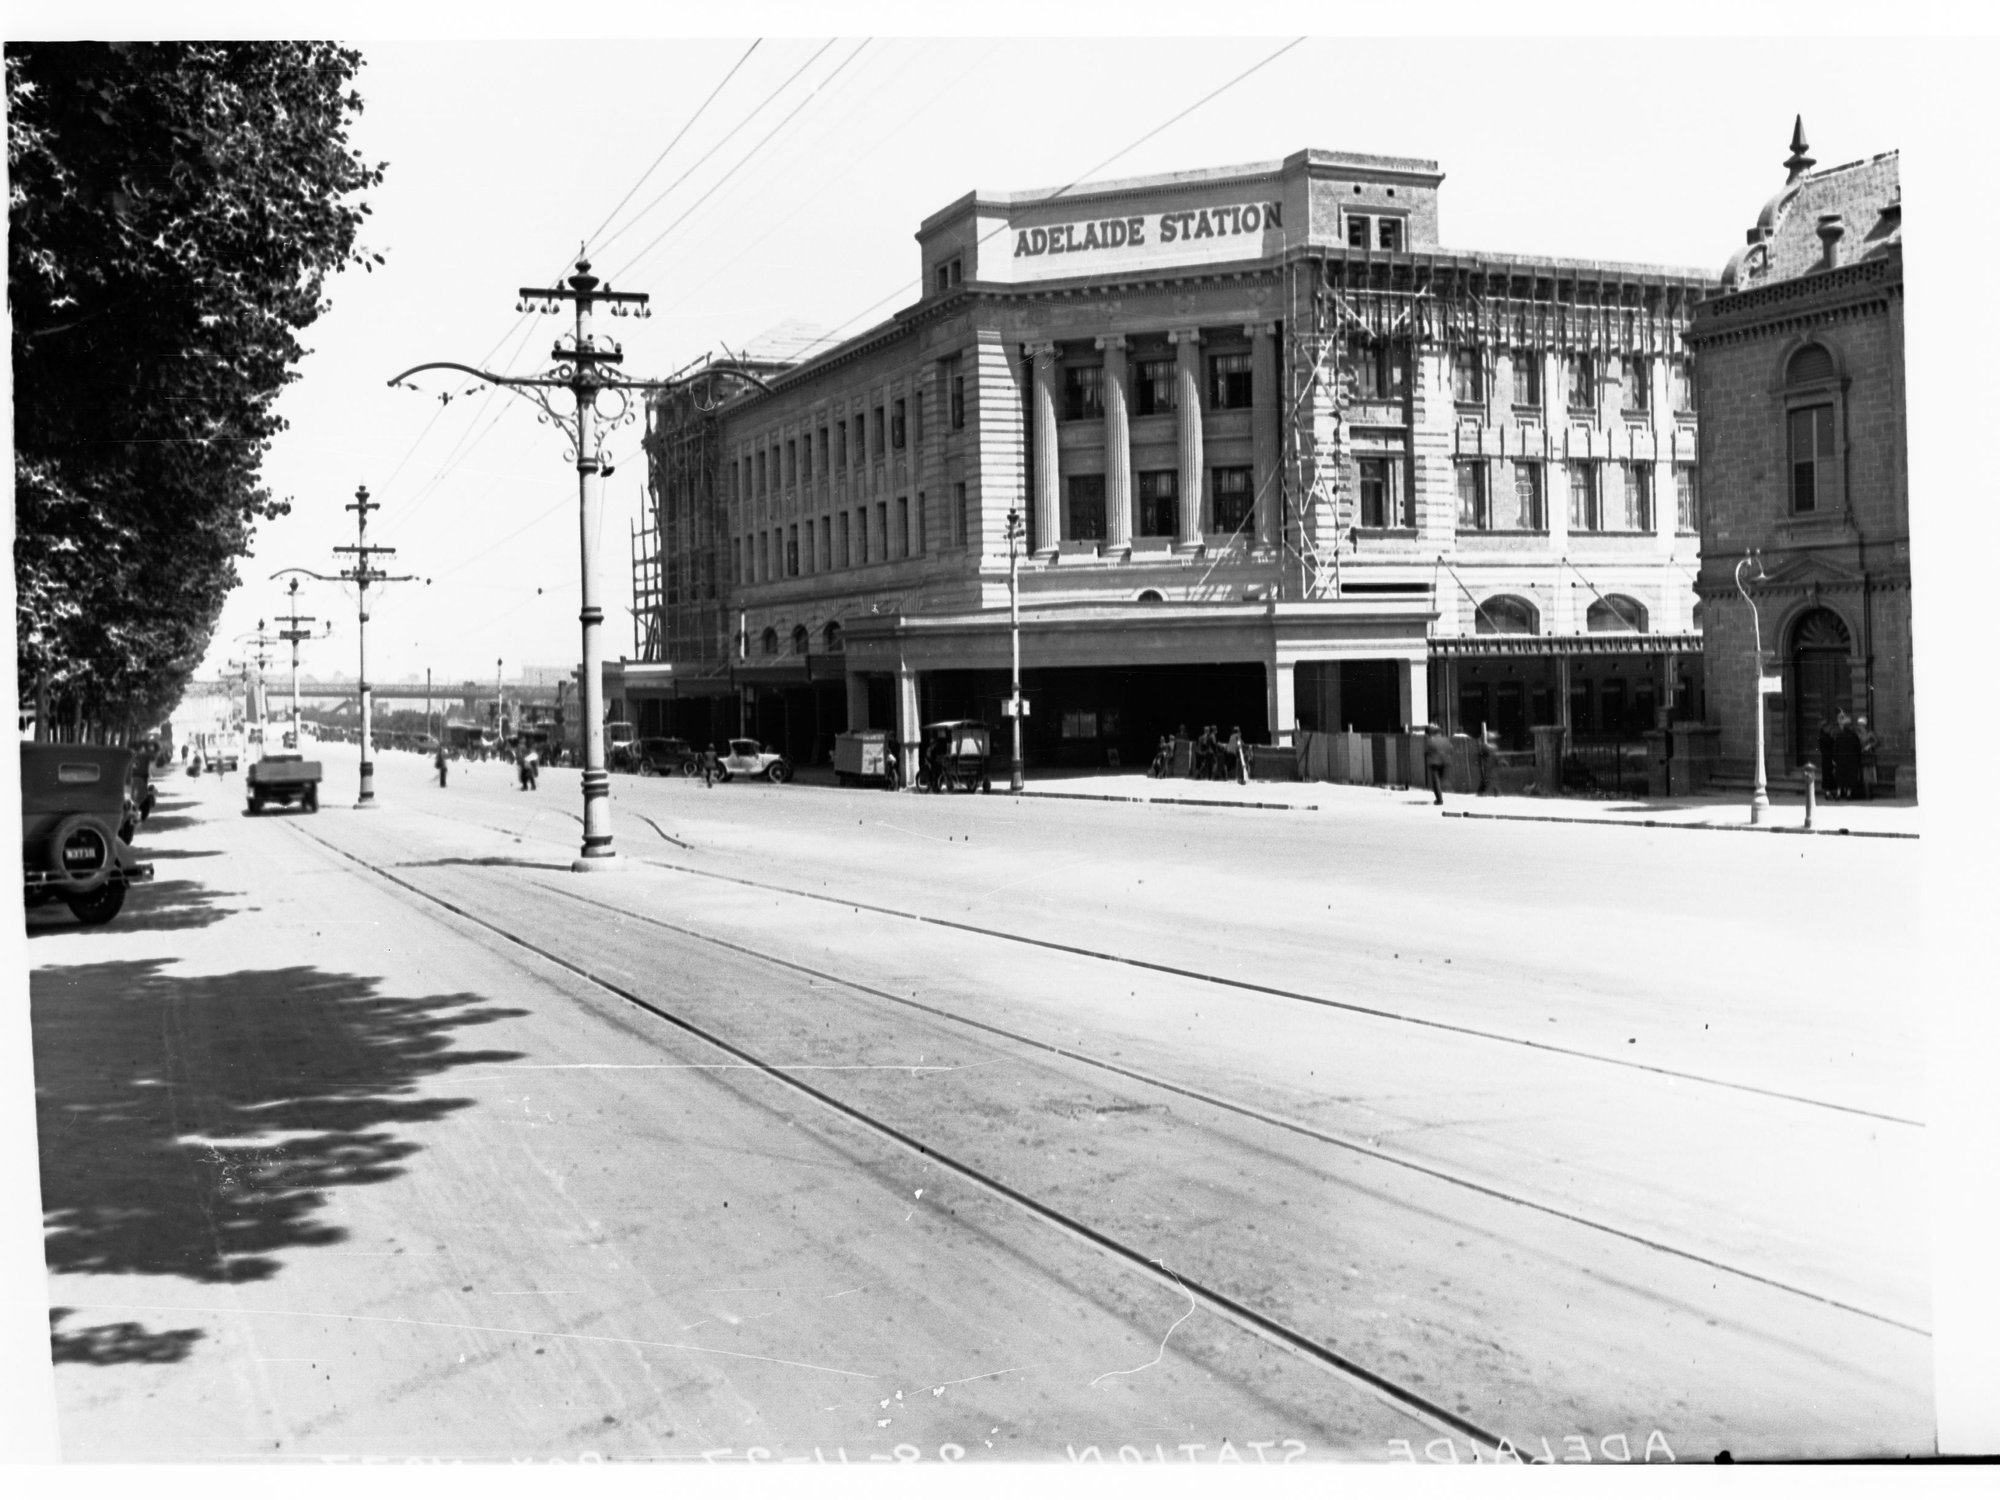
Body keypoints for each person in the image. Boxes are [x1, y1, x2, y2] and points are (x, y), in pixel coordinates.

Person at [1831, 711, 1863, 802]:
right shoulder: (1854, 736)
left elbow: (1835, 748)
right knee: (1850, 777)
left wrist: (1834, 759)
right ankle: (1848, 794)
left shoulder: (1839, 735)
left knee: (1840, 777)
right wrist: (1858, 758)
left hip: (1841, 760)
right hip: (1852, 760)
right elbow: (1858, 748)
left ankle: (1838, 794)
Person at [1423, 723, 1453, 806]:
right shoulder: (1446, 740)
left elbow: (1426, 752)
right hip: (1445, 762)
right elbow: (1451, 749)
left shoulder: (1430, 741)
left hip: (1434, 762)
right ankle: (1442, 790)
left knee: (1436, 781)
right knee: (1441, 779)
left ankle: (1439, 799)